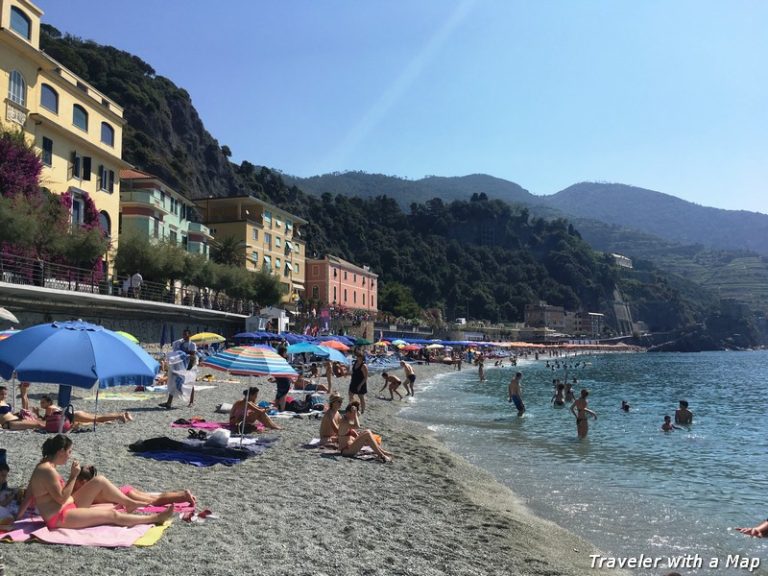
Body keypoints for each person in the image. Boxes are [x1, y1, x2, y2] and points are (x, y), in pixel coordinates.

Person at [17, 435, 174, 529]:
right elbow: (60, 499)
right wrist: (73, 476)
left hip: (68, 505)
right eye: (69, 452)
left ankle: (129, 502)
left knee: (99, 480)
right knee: (111, 515)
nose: (70, 456)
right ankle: (155, 519)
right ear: (60, 451)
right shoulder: (47, 471)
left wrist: (18, 517)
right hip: (59, 516)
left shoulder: (45, 464)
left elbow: (30, 492)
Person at [74, 465, 195, 507]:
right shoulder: (88, 487)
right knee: (155, 497)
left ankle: (183, 496)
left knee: (155, 501)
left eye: (76, 481)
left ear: (83, 481)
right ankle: (181, 494)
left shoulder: (85, 490)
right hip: (125, 490)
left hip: (126, 494)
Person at [36, 395, 132, 432]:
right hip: (75, 415)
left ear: (49, 402)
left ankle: (120, 416)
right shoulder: (52, 407)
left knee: (98, 418)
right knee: (97, 418)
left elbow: (45, 421)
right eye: (41, 402)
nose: (41, 404)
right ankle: (122, 415)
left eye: (43, 402)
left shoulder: (49, 408)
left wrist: (36, 414)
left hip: (75, 416)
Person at [159, 329, 197, 409]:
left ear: (189, 335)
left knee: (190, 382)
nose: (184, 336)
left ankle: (191, 402)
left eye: (186, 334)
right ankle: (168, 403)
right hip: (179, 366)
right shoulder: (180, 343)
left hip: (188, 365)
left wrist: (188, 367)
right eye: (183, 334)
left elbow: (192, 356)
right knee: (174, 382)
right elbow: (176, 353)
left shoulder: (192, 344)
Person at [348, 349, 368, 414]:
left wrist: (360, 385)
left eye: (359, 356)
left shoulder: (364, 366)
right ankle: (352, 407)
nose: (357, 357)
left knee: (361, 397)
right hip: (354, 381)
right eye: (357, 356)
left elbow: (365, 377)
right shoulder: (355, 363)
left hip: (360, 383)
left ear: (362, 357)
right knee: (350, 394)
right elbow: (353, 372)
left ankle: (362, 410)